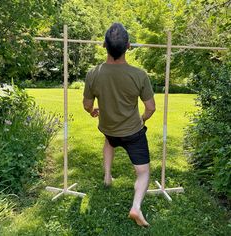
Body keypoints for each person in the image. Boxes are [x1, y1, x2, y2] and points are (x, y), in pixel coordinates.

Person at [83, 23, 156, 227]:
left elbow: (87, 104)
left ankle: (107, 176)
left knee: (109, 141)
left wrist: (92, 111)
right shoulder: (139, 74)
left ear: (104, 45)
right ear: (128, 46)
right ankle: (136, 207)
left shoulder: (93, 73)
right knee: (143, 173)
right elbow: (150, 108)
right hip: (133, 132)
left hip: (109, 129)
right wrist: (143, 119)